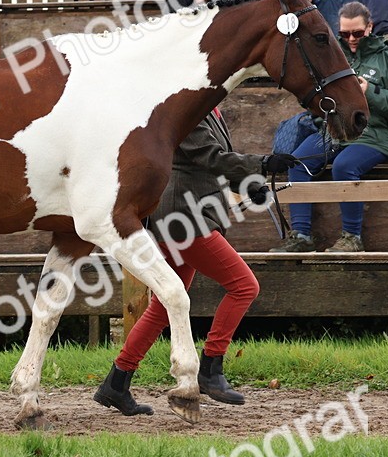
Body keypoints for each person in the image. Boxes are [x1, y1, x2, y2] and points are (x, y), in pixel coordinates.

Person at [93, 110, 298, 414]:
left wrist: (251, 185)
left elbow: (216, 163)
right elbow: (211, 157)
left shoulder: (210, 108)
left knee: (163, 305)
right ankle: (211, 369)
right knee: (243, 286)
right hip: (184, 220)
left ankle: (117, 382)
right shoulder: (187, 110)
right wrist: (263, 164)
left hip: (182, 217)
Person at [272, 1, 388, 253]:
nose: (351, 39)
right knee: (297, 162)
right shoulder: (332, 55)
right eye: (343, 34)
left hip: (376, 134)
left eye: (357, 33)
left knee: (345, 166)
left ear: (370, 27)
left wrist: (370, 92)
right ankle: (301, 235)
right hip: (335, 132)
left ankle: (352, 237)